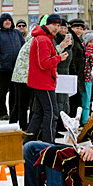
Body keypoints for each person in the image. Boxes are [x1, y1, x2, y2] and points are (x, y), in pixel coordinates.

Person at [23, 14, 68, 144]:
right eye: (54, 25)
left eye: (58, 25)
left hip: (41, 81)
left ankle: (29, 140)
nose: (56, 28)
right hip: (43, 82)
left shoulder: (43, 38)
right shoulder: (43, 39)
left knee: (40, 111)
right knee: (51, 112)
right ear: (47, 24)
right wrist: (59, 58)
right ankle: (48, 142)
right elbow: (44, 63)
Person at [0, 13, 25, 121]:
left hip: (16, 69)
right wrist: (0, 59)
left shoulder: (17, 33)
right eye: (4, 20)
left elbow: (23, 46)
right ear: (1, 22)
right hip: (3, 69)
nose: (7, 22)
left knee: (14, 93)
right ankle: (2, 112)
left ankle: (13, 112)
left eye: (9, 20)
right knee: (2, 92)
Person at [68, 18, 86, 118]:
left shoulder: (78, 40)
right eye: (77, 28)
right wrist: (74, 72)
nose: (79, 30)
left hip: (78, 75)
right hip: (73, 75)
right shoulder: (72, 39)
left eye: (81, 28)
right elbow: (72, 58)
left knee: (77, 100)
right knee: (74, 100)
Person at [82, 32, 93, 121]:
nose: (92, 44)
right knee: (85, 101)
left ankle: (86, 119)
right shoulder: (84, 53)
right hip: (85, 79)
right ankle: (84, 120)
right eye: (90, 42)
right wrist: (88, 56)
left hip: (92, 81)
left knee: (90, 101)